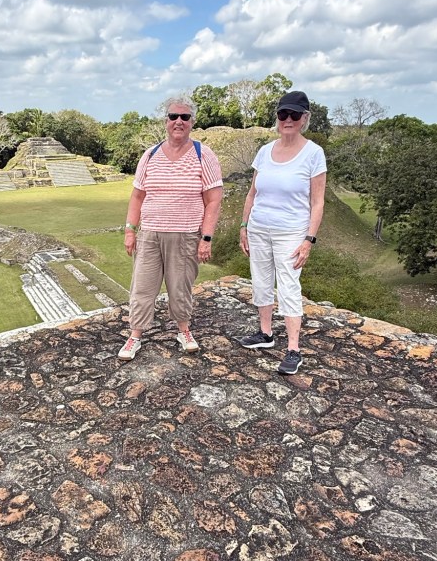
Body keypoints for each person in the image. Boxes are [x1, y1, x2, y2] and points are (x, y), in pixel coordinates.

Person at [118, 96, 223, 360]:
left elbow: (213, 200)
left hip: (185, 234)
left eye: (184, 117)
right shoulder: (150, 155)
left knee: (180, 288)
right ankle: (135, 335)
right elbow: (137, 196)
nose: (178, 121)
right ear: (166, 120)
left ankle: (184, 331)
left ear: (192, 122)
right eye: (173, 116)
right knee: (142, 287)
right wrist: (130, 230)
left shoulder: (203, 154)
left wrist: (206, 237)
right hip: (150, 233)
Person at [238, 90, 326, 375]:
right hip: (259, 227)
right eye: (282, 114)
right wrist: (244, 226)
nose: (288, 120)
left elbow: (317, 201)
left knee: (288, 285)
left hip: (291, 231)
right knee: (261, 280)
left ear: (304, 118)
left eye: (294, 115)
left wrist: (309, 240)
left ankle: (293, 348)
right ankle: (265, 333)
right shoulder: (265, 151)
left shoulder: (313, 153)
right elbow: (252, 193)